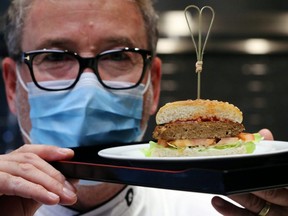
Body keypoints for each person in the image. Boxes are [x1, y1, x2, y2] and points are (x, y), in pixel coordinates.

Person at [1, 0, 288, 215]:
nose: (88, 89)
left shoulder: (222, 208)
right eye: (53, 57)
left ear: (154, 85)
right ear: (13, 86)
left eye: (118, 56)